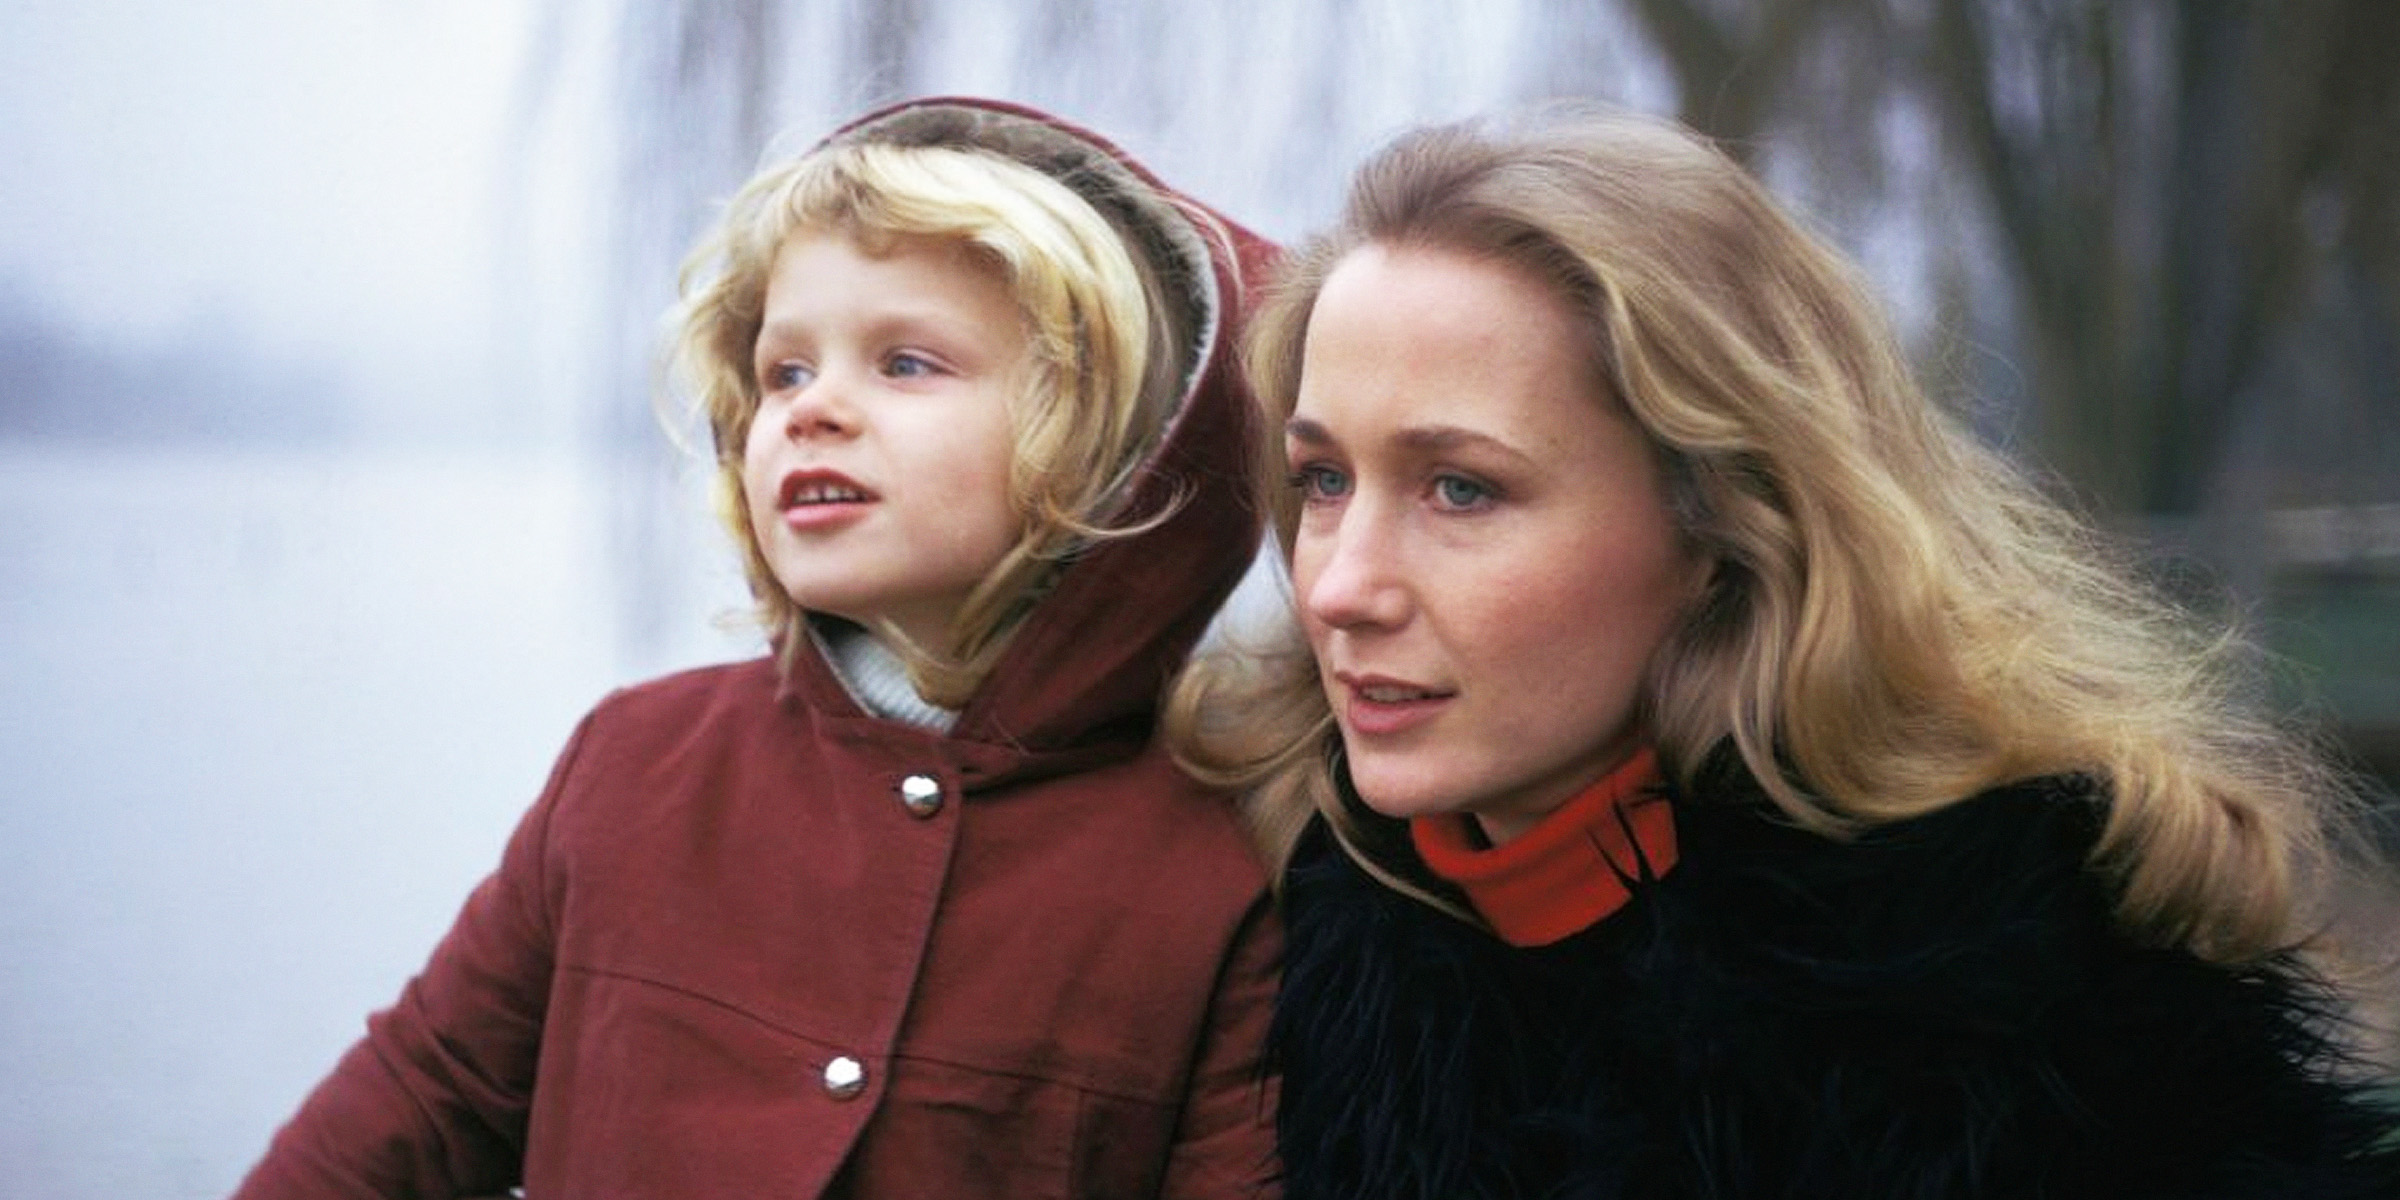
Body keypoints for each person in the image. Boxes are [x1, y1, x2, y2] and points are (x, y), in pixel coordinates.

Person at [1168, 104, 2400, 1199]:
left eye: (1461, 489)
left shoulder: (2042, 1033)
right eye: (1322, 478)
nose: (1338, 584)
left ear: (1723, 524)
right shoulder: (1272, 938)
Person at [233, 97, 1282, 1198]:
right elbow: (410, 1109)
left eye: (908, 363)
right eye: (783, 371)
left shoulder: (1220, 869)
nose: (811, 409)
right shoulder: (636, 765)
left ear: (1112, 444)